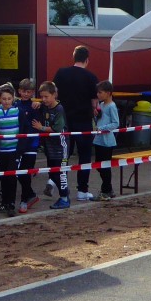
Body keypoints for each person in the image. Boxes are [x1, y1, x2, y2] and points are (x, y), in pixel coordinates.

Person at [51, 45, 100, 203]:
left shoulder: (61, 73)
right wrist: (95, 109)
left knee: (64, 155)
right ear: (87, 60)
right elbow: (94, 102)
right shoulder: (91, 77)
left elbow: (53, 93)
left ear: (73, 56)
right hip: (83, 121)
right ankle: (82, 191)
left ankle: (58, 185)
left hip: (64, 120)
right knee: (84, 156)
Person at [0, 85, 26, 215]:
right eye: (4, 98)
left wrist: (21, 149)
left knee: (11, 176)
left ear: (13, 98)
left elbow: (24, 129)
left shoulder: (18, 111)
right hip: (2, 150)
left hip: (15, 150)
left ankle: (11, 204)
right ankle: (4, 202)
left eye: (9, 98)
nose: (6, 101)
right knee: (3, 177)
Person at [35, 81, 71, 209]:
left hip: (61, 146)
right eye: (42, 97)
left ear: (54, 95)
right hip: (49, 146)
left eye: (46, 96)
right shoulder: (44, 106)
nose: (44, 99)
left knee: (60, 173)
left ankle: (64, 198)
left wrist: (41, 128)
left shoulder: (59, 109)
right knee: (52, 173)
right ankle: (64, 192)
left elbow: (57, 128)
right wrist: (37, 103)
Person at [14, 78, 42, 214]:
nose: (26, 94)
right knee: (19, 173)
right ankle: (30, 195)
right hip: (18, 143)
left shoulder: (35, 106)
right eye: (23, 91)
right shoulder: (15, 104)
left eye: (29, 92)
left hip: (31, 143)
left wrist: (39, 104)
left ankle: (24, 200)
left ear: (32, 93)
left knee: (25, 172)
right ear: (19, 91)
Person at [89, 80, 119, 200]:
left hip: (107, 141)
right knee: (99, 165)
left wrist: (101, 128)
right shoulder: (101, 105)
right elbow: (100, 120)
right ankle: (108, 189)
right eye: (98, 92)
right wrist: (96, 116)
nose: (98, 95)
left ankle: (106, 190)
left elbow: (115, 123)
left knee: (105, 166)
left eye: (100, 92)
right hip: (99, 139)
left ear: (108, 93)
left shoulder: (112, 106)